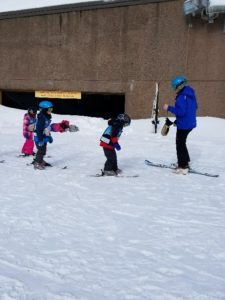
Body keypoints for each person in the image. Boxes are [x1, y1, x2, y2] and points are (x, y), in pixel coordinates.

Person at [163, 75, 198, 175]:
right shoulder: (191, 93)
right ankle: (185, 161)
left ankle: (183, 166)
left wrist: (168, 108)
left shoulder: (182, 96)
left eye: (175, 87)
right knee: (182, 142)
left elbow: (181, 112)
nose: (175, 89)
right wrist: (180, 120)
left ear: (179, 86)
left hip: (184, 125)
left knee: (180, 144)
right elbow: (195, 107)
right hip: (190, 123)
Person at [33, 101, 54, 170]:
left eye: (52, 109)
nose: (51, 111)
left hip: (43, 137)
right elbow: (39, 130)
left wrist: (49, 137)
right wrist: (40, 140)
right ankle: (37, 163)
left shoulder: (46, 117)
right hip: (39, 137)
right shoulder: (41, 118)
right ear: (44, 110)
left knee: (43, 150)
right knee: (41, 150)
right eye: (49, 109)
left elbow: (46, 128)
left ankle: (40, 160)